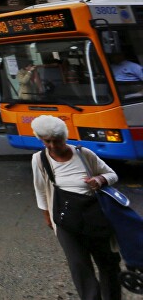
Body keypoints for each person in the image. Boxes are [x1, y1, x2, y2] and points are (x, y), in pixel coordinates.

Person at [31, 114, 122, 300]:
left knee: (108, 263)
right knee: (79, 266)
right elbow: (40, 189)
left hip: (95, 216)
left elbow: (112, 174)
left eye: (57, 141)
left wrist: (100, 179)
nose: (52, 146)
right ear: (40, 139)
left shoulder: (84, 154)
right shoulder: (39, 160)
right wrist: (47, 216)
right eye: (47, 141)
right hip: (65, 220)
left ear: (65, 137)